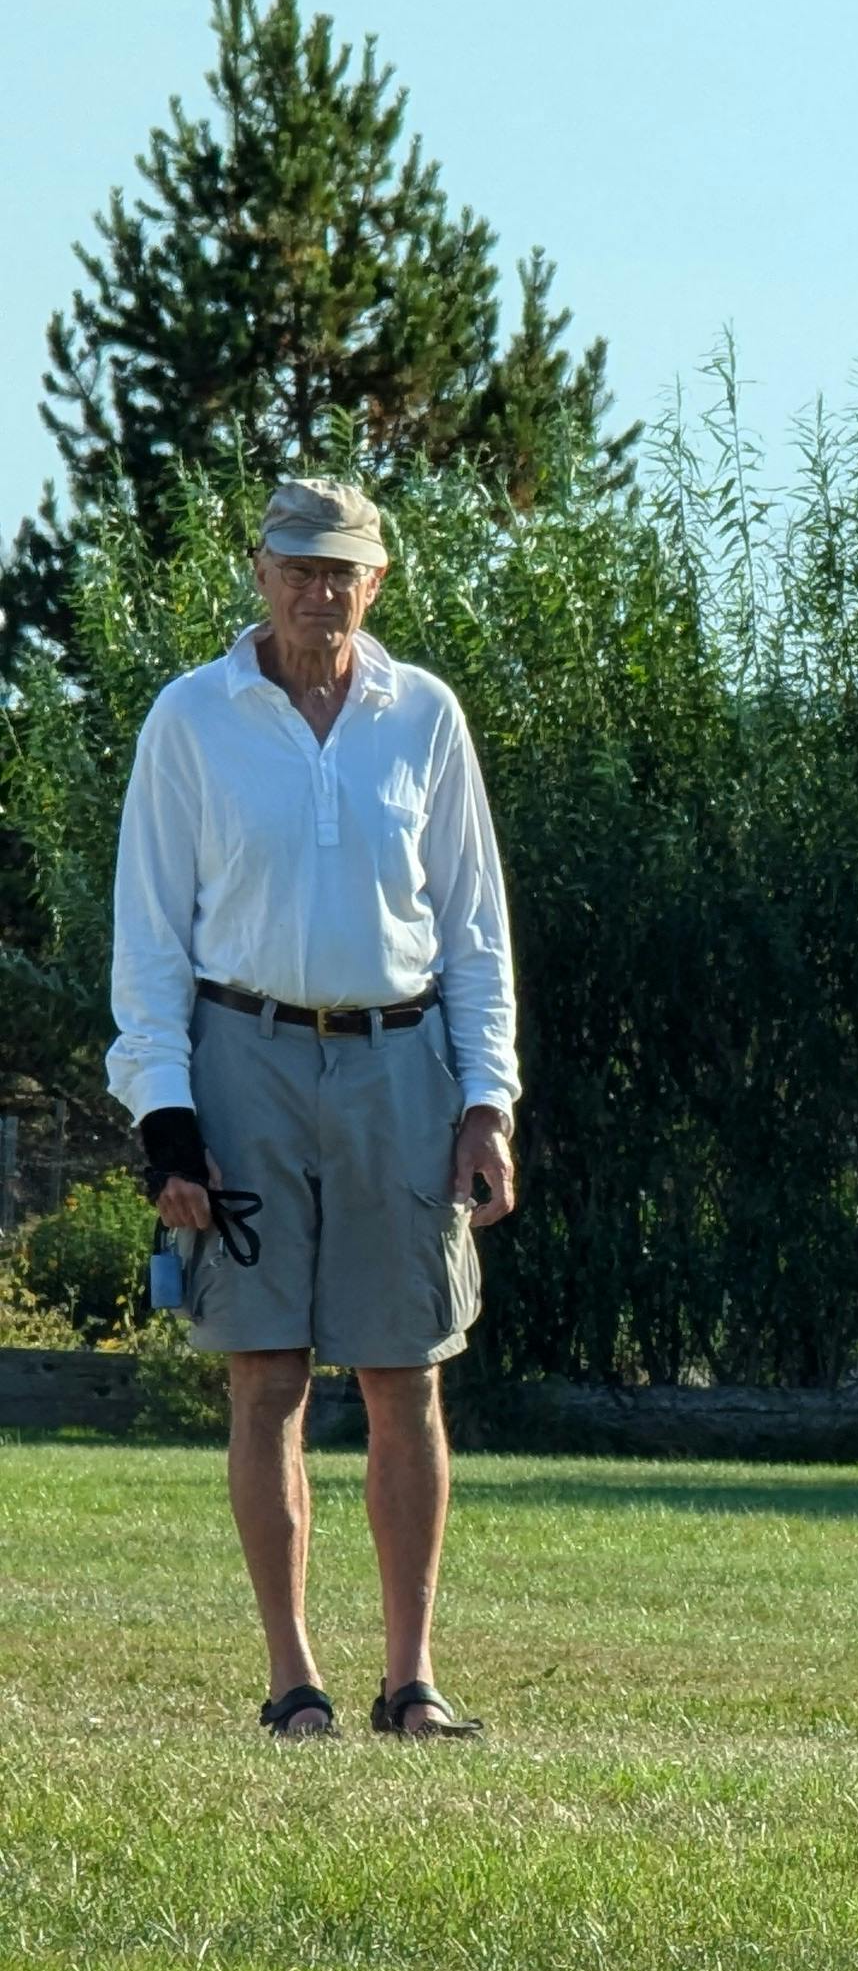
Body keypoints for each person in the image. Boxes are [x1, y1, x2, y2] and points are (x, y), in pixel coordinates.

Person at [107, 475, 521, 1739]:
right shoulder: (192, 719)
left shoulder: (425, 718)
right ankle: (294, 1682)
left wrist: (488, 1100)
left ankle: (413, 1679)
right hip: (245, 1056)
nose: (318, 588)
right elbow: (150, 939)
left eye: (342, 568)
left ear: (377, 581)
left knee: (406, 1376)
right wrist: (164, 1115)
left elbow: (474, 931)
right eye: (297, 563)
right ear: (259, 570)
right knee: (267, 1373)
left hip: (403, 1062)